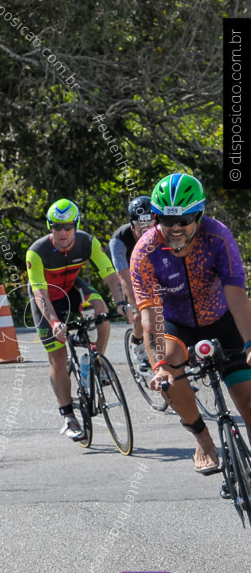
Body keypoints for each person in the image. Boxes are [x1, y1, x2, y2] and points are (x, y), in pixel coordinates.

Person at [132, 172, 251, 478]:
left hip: (223, 319)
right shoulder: (146, 252)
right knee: (169, 371)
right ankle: (203, 440)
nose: (175, 228)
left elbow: (237, 296)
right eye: (165, 220)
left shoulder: (217, 236)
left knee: (248, 399)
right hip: (177, 323)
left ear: (199, 215)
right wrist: (158, 363)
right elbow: (150, 316)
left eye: (184, 220)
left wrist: (250, 343)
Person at [27, 199, 129, 440]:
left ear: (76, 225)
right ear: (50, 227)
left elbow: (110, 275)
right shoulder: (37, 252)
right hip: (46, 302)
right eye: (57, 227)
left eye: (68, 226)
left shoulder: (87, 242)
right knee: (58, 358)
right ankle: (68, 416)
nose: (63, 232)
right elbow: (40, 294)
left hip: (72, 290)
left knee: (101, 310)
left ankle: (96, 361)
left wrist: (123, 303)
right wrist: (54, 323)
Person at [108, 196, 155, 368]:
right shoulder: (119, 241)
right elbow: (124, 279)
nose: (146, 229)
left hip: (149, 265)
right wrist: (137, 305)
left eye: (150, 224)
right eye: (140, 225)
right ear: (131, 224)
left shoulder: (161, 232)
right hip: (127, 269)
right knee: (139, 310)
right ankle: (138, 342)